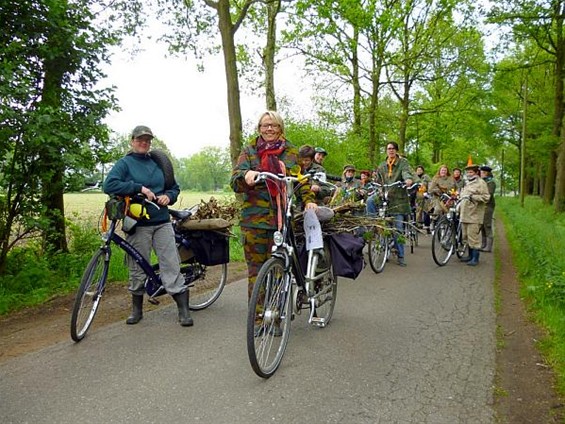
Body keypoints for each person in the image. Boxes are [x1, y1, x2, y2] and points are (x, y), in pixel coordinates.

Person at [230, 111, 317, 334]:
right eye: (265, 125)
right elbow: (235, 181)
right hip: (254, 221)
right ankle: (258, 320)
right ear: (259, 128)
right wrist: (246, 176)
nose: (269, 129)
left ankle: (275, 317)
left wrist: (308, 201)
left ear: (280, 128)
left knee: (279, 270)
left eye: (274, 125)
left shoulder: (291, 152)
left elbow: (301, 181)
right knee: (256, 272)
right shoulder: (249, 151)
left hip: (281, 220)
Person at [103, 125, 193, 327]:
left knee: (170, 263)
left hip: (161, 221)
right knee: (137, 266)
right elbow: (109, 185)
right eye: (140, 139)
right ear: (132, 141)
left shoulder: (158, 162)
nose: (144, 143)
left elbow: (174, 188)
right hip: (137, 224)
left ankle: (183, 310)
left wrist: (167, 197)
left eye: (147, 140)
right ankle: (137, 309)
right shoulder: (125, 164)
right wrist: (139, 188)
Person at [367, 142, 414, 266]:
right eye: (389, 149)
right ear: (386, 151)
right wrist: (372, 183)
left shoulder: (402, 162)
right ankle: (373, 223)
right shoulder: (382, 165)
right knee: (370, 200)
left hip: (397, 199)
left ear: (396, 150)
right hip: (383, 194)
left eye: (393, 148)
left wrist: (408, 180)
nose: (391, 150)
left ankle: (401, 256)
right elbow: (377, 179)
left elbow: (406, 172)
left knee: (397, 229)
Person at [459, 164, 490, 266]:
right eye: (467, 172)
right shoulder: (467, 183)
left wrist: (473, 197)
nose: (469, 174)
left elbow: (486, 197)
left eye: (471, 172)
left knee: (474, 237)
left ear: (476, 173)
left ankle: (475, 258)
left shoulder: (481, 183)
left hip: (474, 215)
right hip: (464, 214)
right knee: (466, 236)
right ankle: (469, 255)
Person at [479, 165, 496, 252]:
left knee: (487, 225)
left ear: (486, 173)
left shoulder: (490, 182)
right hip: (481, 205)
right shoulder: (482, 181)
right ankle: (483, 244)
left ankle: (488, 247)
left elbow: (489, 194)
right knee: (482, 225)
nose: (480, 174)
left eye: (481, 172)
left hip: (488, 206)